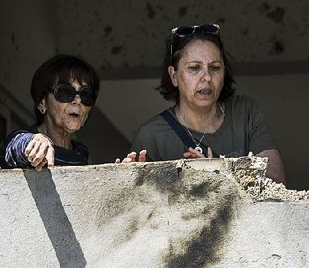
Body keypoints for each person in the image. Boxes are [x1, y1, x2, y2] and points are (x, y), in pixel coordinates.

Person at [119, 23, 286, 184]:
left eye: (215, 68)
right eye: (194, 68)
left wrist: (219, 171)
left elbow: (278, 183)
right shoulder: (152, 135)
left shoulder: (245, 112)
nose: (206, 77)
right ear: (174, 76)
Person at [2, 54, 100, 170]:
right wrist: (35, 142)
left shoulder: (82, 153)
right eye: (65, 92)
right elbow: (14, 148)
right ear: (42, 103)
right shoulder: (22, 138)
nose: (77, 100)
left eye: (86, 94)